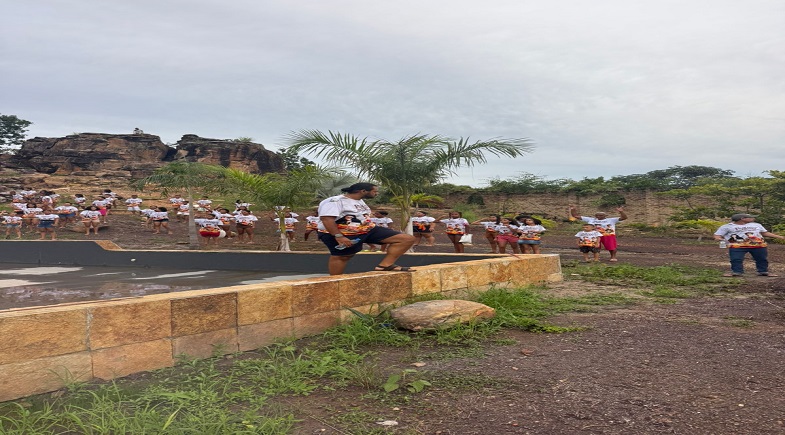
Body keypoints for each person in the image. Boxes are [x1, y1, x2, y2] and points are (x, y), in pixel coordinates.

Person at [317, 182, 416, 275]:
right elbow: (327, 219)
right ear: (363, 191)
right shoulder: (335, 201)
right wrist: (339, 236)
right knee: (343, 256)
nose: (376, 193)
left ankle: (385, 266)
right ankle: (335, 282)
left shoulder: (359, 201)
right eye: (374, 191)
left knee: (406, 239)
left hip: (367, 230)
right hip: (340, 233)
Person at [714, 213, 785, 277]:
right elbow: (717, 235)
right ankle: (737, 272)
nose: (753, 218)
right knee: (736, 259)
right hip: (737, 246)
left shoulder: (756, 225)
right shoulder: (727, 226)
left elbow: (764, 233)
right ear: (742, 219)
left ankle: (763, 271)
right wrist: (720, 239)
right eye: (751, 217)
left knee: (762, 259)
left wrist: (780, 237)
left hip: (758, 245)